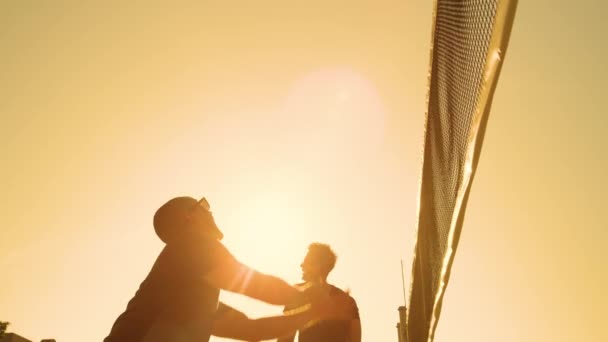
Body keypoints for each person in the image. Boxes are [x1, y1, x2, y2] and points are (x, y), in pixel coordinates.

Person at [104, 196, 354, 342]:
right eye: (203, 205)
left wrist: (312, 313)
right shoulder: (193, 242)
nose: (210, 212)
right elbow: (256, 287)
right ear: (190, 218)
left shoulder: (189, 296)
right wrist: (311, 296)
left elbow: (250, 329)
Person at [277, 243, 361, 342]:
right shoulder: (347, 301)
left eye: (307, 262)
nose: (302, 265)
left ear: (319, 266)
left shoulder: (348, 302)